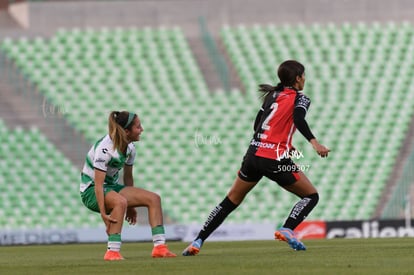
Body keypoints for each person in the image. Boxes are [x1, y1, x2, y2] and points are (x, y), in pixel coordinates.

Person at [182, 60, 330, 256]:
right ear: (297, 78)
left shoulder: (271, 96)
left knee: (230, 201)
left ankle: (198, 240)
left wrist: (287, 144)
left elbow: (257, 126)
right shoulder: (300, 98)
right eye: (303, 76)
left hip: (253, 156)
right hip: (274, 159)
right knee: (311, 195)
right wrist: (314, 142)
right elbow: (298, 118)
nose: (305, 79)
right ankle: (287, 228)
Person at [80, 111, 176, 260]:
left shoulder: (130, 149)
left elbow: (128, 177)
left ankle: (160, 247)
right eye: (138, 127)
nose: (142, 129)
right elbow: (99, 185)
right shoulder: (104, 149)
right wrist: (104, 214)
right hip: (91, 190)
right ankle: (112, 251)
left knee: (154, 199)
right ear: (126, 131)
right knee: (120, 201)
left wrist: (131, 207)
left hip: (111, 188)